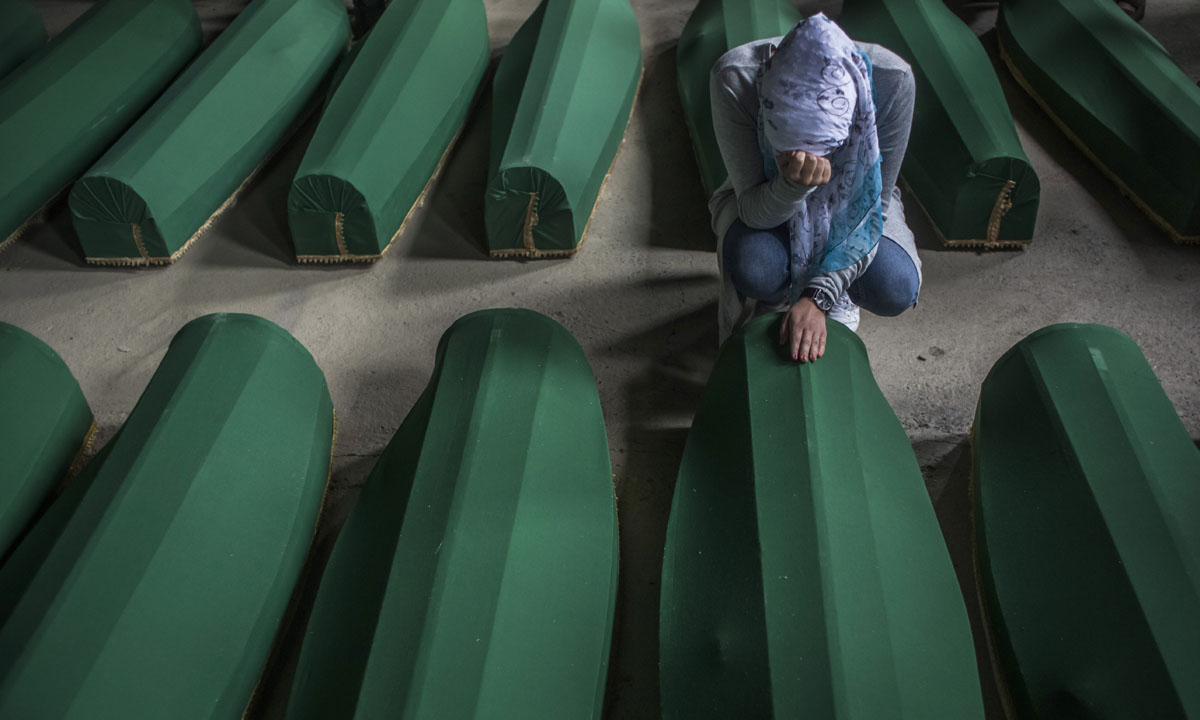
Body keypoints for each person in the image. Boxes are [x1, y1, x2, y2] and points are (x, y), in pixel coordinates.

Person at [708, 13, 922, 363]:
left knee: (895, 285)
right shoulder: (735, 78)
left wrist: (820, 295)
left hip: (860, 197)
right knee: (756, 267)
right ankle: (779, 294)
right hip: (765, 193)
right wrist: (792, 185)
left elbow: (874, 210)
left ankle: (832, 289)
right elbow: (750, 207)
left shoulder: (892, 81)